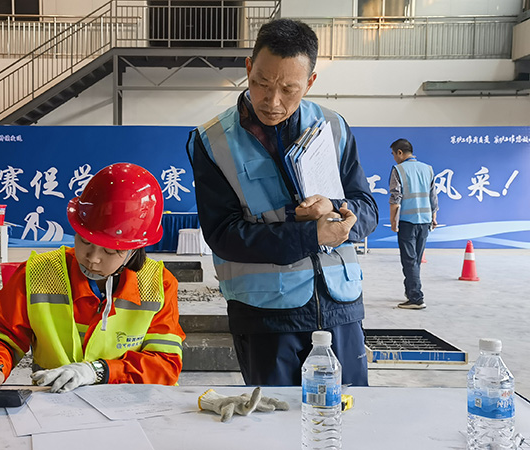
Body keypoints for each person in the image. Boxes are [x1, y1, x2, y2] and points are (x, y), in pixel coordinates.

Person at [186, 19, 378, 386]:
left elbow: (367, 209)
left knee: (349, 412)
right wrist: (311, 235)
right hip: (265, 315)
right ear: (248, 68)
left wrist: (334, 209)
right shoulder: (212, 141)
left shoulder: (333, 126)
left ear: (310, 82)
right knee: (275, 418)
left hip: (341, 308)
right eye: (261, 83)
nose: (272, 101)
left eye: (289, 89)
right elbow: (223, 234)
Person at [0, 163, 185, 393]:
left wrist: (99, 371)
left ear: (134, 249)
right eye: (85, 241)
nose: (93, 258)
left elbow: (165, 364)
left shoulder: (157, 285)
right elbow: (2, 335)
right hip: (53, 401)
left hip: (129, 403)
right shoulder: (37, 273)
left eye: (110, 251)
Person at [389, 138, 438, 310]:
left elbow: (395, 198)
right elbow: (433, 196)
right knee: (415, 260)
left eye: (394, 154)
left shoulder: (398, 170)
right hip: (425, 221)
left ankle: (416, 298)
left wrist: (393, 221)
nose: (394, 158)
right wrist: (434, 217)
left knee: (409, 261)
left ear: (400, 152)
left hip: (407, 222)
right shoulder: (428, 169)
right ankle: (410, 292)